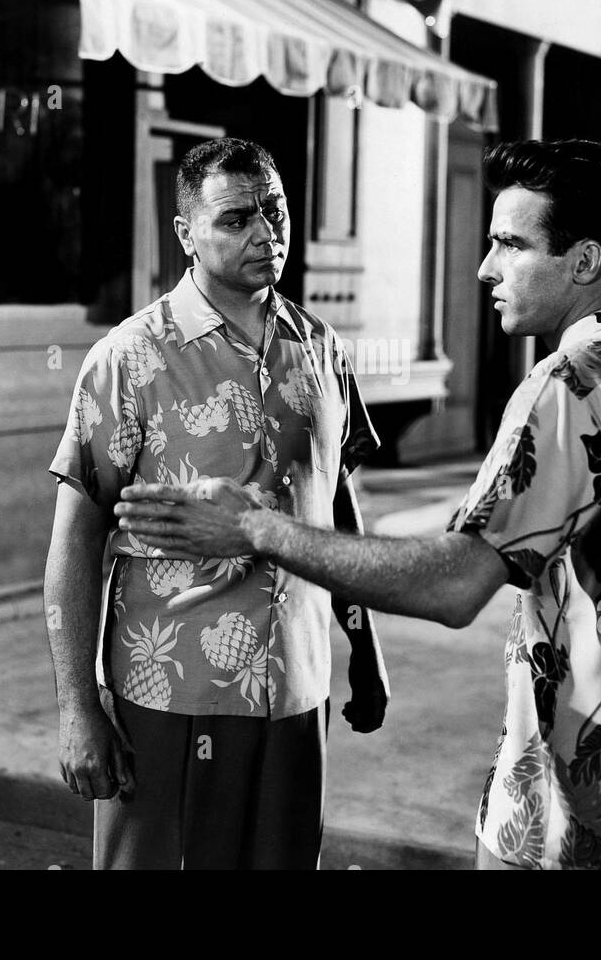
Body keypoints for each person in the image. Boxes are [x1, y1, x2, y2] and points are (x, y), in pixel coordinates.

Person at [118, 139, 601, 871]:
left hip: (572, 821)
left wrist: (254, 526)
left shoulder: (573, 385)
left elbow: (454, 583)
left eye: (509, 245)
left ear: (585, 262)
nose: (484, 268)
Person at [43, 137, 389, 870]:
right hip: (169, 695)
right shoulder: (131, 359)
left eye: (275, 211)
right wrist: (78, 707)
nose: (266, 233)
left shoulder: (320, 348)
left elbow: (335, 499)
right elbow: (75, 541)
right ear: (186, 235)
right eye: (236, 219)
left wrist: (364, 643)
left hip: (297, 689)